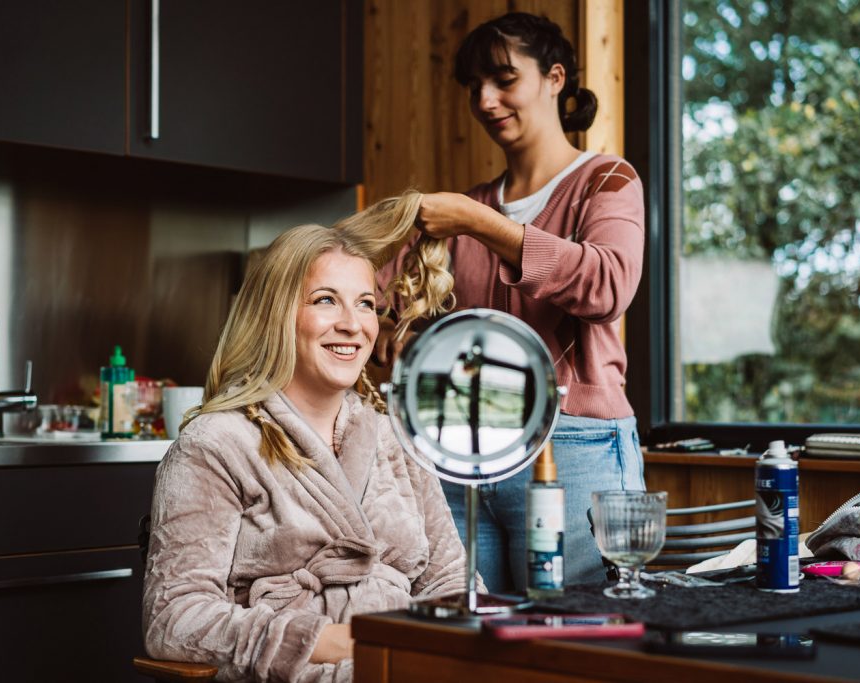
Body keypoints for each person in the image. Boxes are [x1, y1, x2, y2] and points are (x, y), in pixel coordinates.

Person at [142, 195, 468, 683]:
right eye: (325, 300)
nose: (352, 324)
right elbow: (174, 619)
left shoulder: (391, 436)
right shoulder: (216, 444)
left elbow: (452, 580)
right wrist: (330, 640)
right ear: (277, 315)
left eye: (365, 304)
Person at [377, 12, 646, 591]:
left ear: (555, 77)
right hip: (458, 451)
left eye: (503, 79)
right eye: (475, 86)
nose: (486, 99)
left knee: (576, 634)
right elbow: (377, 296)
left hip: (574, 446)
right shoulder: (461, 209)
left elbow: (607, 286)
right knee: (468, 639)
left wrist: (481, 224)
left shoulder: (607, 181)